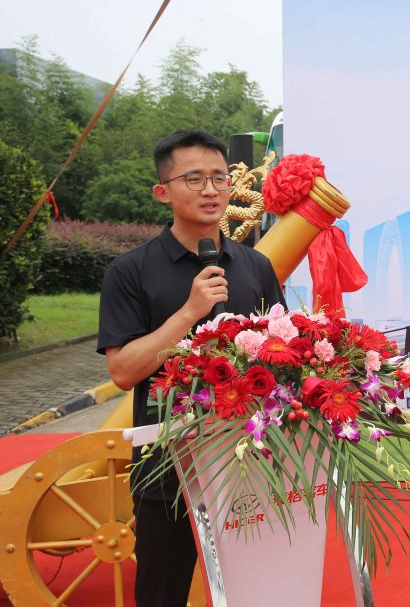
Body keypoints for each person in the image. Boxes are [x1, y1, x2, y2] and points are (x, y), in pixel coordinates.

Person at [97, 130, 285, 607]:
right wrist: (188, 312)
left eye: (219, 178)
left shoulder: (256, 266)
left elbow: (281, 352)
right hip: (166, 462)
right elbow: (123, 372)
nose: (210, 190)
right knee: (163, 589)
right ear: (163, 191)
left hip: (248, 455)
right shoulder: (129, 271)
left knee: (260, 586)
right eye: (194, 178)